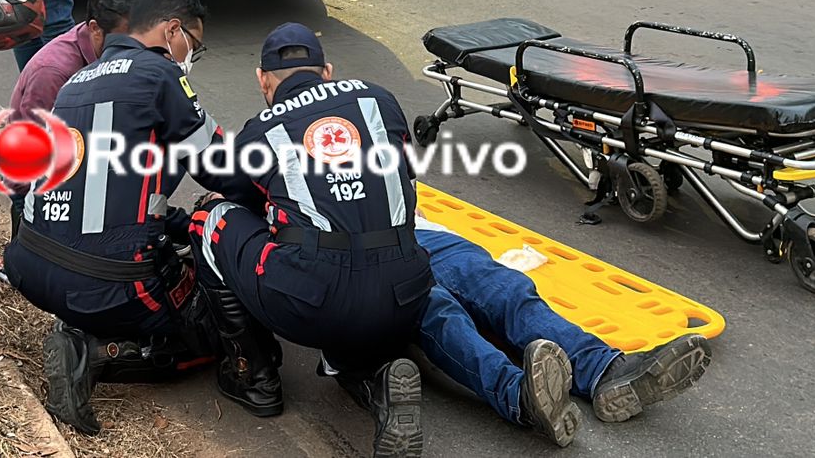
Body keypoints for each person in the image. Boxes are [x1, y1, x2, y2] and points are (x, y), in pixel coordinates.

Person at [191, 23, 435, 458]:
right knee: (355, 246)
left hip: (313, 301)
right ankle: (375, 378)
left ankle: (253, 377)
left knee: (211, 219)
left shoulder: (260, 129)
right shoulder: (379, 98)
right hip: (407, 293)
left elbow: (237, 197)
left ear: (263, 80)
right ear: (327, 71)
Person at [3, 0, 231, 434]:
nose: (192, 57)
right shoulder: (161, 75)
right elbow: (219, 168)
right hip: (109, 283)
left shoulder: (75, 81)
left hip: (30, 264)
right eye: (194, 44)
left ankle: (84, 324)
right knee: (208, 332)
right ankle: (95, 349)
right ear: (171, 32)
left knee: (160, 244)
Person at [413, 217, 711, 447]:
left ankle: (605, 370)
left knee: (507, 290)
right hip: (373, 254)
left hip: (422, 232)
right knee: (436, 310)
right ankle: (521, 396)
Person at [0, 0, 145, 283]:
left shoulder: (111, 55)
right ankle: (19, 255)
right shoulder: (55, 71)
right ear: (94, 30)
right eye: (126, 39)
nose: (135, 49)